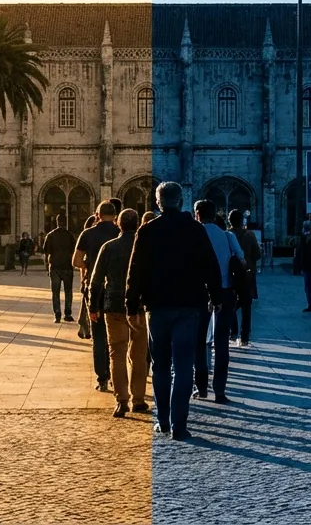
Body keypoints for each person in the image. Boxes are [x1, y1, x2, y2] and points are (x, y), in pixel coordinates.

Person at [126, 181, 220, 441]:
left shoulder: (147, 231)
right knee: (183, 365)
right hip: (189, 305)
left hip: (157, 306)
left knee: (161, 366)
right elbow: (210, 265)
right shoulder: (195, 229)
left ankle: (163, 421)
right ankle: (179, 425)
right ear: (180, 201)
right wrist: (217, 296)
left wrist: (131, 305)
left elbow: (136, 271)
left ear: (158, 202)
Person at [88, 208, 150, 418]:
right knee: (139, 355)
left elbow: (96, 281)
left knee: (117, 353)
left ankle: (121, 400)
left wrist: (92, 307)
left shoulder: (109, 247)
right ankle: (139, 399)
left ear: (118, 224)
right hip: (139, 307)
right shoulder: (144, 247)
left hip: (113, 305)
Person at [194, 200, 242, 405]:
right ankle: (220, 391)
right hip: (225, 291)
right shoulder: (227, 235)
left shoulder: (194, 235)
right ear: (214, 215)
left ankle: (201, 387)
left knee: (199, 340)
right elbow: (241, 259)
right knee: (221, 342)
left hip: (199, 292)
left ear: (197, 214)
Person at [74, 200, 120, 392]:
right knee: (117, 337)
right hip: (116, 290)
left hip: (94, 289)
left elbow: (76, 261)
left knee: (99, 335)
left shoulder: (87, 233)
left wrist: (89, 267)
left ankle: (102, 377)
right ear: (115, 216)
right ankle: (116, 377)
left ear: (98, 215)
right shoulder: (120, 232)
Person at [227, 209, 260, 348]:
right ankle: (245, 337)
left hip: (230, 274)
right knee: (246, 306)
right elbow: (257, 253)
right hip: (247, 274)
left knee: (230, 303)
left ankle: (233, 332)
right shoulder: (249, 234)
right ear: (242, 221)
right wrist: (250, 263)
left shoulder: (227, 235)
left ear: (230, 221)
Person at [43, 215, 77, 323]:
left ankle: (57, 314)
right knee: (68, 291)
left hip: (55, 266)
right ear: (66, 222)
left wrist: (47, 266)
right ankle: (68, 313)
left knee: (55, 291)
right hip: (67, 266)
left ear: (56, 222)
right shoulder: (69, 235)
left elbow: (46, 252)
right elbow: (74, 251)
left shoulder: (51, 235)